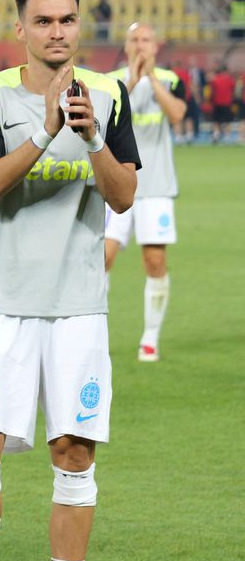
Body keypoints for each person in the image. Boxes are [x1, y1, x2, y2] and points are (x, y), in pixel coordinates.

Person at [0, 0, 139, 561]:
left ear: (76, 25)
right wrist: (48, 131)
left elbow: (122, 197)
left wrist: (91, 140)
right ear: (22, 29)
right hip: (2, 302)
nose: (57, 30)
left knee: (73, 453)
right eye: (43, 20)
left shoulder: (111, 94)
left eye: (66, 19)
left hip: (79, 308)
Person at [104, 22, 186, 361]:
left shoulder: (171, 80)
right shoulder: (111, 82)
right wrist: (134, 80)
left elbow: (178, 114)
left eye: (147, 40)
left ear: (157, 45)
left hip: (156, 188)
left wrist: (151, 79)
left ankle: (150, 337)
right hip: (118, 186)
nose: (141, 45)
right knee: (101, 259)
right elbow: (106, 118)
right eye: (135, 40)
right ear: (126, 46)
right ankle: (93, 330)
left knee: (154, 261)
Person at [208, 63, 235, 143]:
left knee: (216, 120)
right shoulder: (230, 80)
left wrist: (210, 101)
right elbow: (233, 90)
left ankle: (216, 134)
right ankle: (227, 136)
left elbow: (212, 92)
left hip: (217, 103)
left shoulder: (215, 80)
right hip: (227, 103)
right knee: (228, 120)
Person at [182, 56, 204, 142]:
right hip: (188, 98)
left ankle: (195, 132)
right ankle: (187, 133)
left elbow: (201, 84)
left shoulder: (200, 72)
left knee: (196, 115)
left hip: (195, 97)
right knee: (188, 116)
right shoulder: (186, 73)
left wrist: (199, 97)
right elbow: (191, 86)